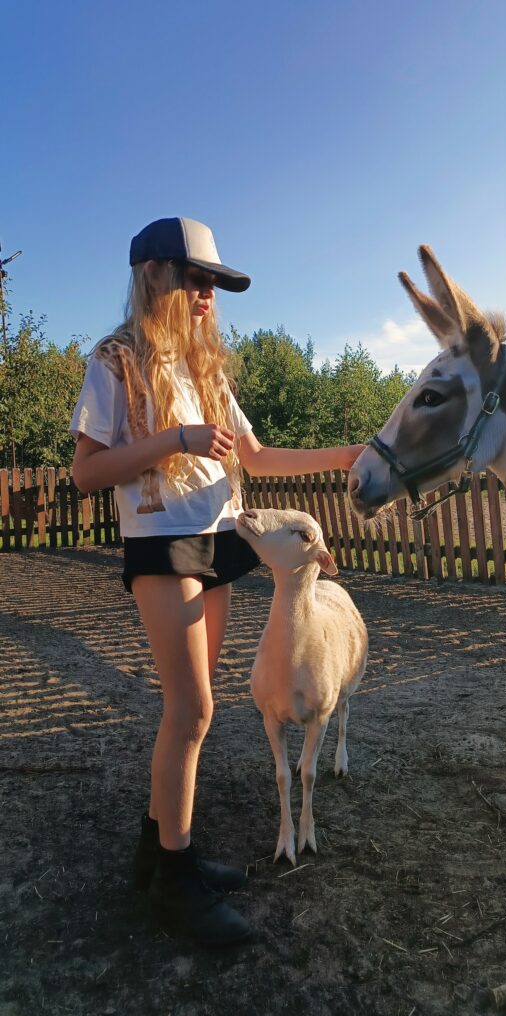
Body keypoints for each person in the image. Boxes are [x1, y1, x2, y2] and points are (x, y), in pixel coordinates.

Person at [70, 217, 364, 947]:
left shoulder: (207, 369)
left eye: (215, 284)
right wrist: (176, 438)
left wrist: (345, 454)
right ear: (155, 275)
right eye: (197, 279)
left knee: (193, 713)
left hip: (219, 542)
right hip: (163, 545)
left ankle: (160, 853)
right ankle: (175, 885)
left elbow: (256, 458)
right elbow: (86, 472)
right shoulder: (115, 361)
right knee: (192, 710)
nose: (208, 295)